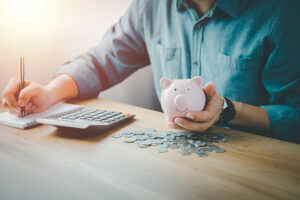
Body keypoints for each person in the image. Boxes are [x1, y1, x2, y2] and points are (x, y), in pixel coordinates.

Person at [1, 0, 300, 143]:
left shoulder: (281, 12)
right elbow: (101, 61)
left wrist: (226, 110)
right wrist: (50, 91)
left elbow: (294, 115)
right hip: (175, 162)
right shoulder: (151, 7)